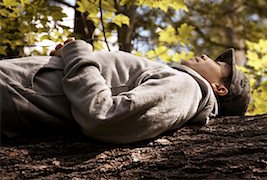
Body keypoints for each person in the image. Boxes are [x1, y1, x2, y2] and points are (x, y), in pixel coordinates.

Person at [0, 38, 251, 144]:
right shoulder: (180, 84)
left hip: (12, 89)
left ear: (220, 89)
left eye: (219, 65)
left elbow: (104, 117)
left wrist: (77, 54)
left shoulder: (186, 88)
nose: (206, 56)